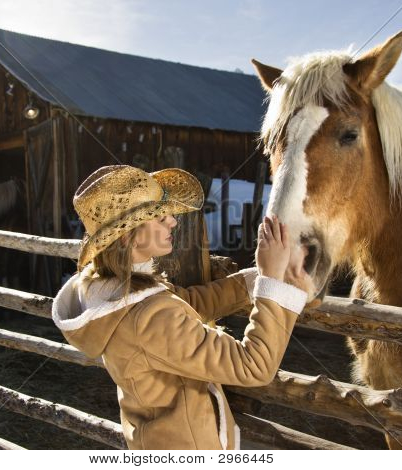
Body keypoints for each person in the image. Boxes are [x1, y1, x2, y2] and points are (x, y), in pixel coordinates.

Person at [52, 165, 309, 450]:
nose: (173, 221)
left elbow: (185, 304)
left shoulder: (115, 290)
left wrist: (254, 281)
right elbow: (254, 366)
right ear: (128, 237)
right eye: (160, 217)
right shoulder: (151, 315)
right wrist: (273, 281)